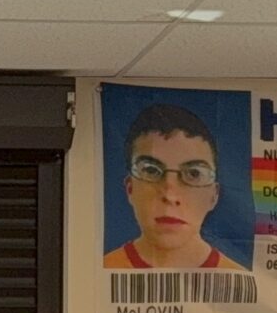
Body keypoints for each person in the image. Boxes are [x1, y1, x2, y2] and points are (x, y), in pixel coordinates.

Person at [103, 103, 244, 271]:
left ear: (213, 195)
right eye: (151, 170)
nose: (170, 195)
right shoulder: (93, 275)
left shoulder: (241, 280)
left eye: (194, 174)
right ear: (130, 188)